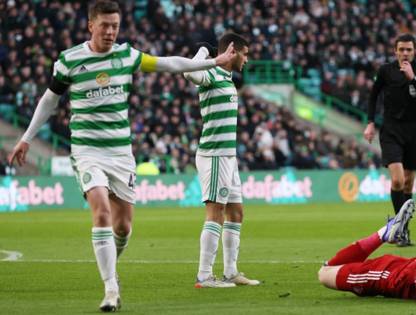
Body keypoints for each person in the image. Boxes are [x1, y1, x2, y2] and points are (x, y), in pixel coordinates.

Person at [6, 1, 235, 312]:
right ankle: (111, 288)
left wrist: (214, 62)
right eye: (105, 25)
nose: (111, 31)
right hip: (87, 151)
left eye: (115, 25)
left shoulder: (127, 56)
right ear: (90, 25)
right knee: (100, 210)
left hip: (120, 153)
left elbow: (170, 64)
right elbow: (50, 100)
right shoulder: (69, 61)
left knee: (123, 227)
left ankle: (111, 264)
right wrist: (26, 138)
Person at [183, 33, 260, 288]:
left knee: (236, 212)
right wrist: (206, 53)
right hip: (214, 155)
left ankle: (230, 272)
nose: (247, 60)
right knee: (215, 213)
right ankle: (204, 276)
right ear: (232, 51)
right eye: (245, 53)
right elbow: (189, 73)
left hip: (229, 156)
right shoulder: (211, 74)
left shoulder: (226, 79)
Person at [363, 34, 416, 246]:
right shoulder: (385, 70)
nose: (405, 53)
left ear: (414, 51)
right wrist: (370, 122)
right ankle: (399, 227)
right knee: (398, 180)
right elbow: (373, 95)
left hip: (413, 130)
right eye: (401, 49)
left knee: (409, 182)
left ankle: (403, 228)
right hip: (391, 130)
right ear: (395, 51)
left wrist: (413, 77)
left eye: (409, 50)